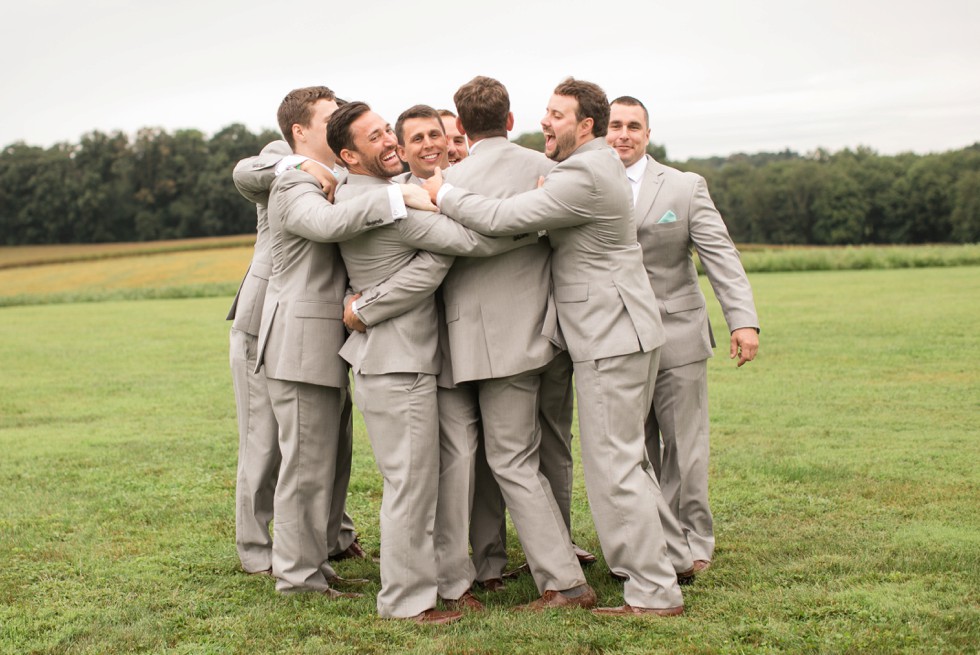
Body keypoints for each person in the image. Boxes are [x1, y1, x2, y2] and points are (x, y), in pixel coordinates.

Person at [424, 77, 685, 616]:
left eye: (557, 114)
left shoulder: (582, 173)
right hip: (616, 330)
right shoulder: (587, 168)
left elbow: (500, 219)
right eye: (544, 112)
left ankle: (655, 592)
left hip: (608, 332)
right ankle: (671, 558)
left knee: (614, 466)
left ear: (585, 125)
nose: (547, 121)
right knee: (625, 461)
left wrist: (441, 191)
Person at [326, 101, 539, 622]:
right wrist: (536, 215)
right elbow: (469, 241)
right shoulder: (391, 206)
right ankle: (405, 600)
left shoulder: (374, 194)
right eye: (375, 138)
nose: (389, 142)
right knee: (410, 487)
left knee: (417, 483)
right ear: (349, 157)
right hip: (396, 361)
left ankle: (430, 586)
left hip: (402, 358)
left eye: (384, 131)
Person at [253, 85, 432, 598]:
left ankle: (310, 563)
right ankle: (296, 577)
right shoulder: (291, 186)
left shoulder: (340, 180)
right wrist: (397, 197)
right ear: (301, 134)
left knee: (323, 464)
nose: (338, 127)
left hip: (326, 346)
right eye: (329, 119)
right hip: (298, 344)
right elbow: (327, 225)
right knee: (305, 467)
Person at [607, 95, 760, 573]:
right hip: (615, 339)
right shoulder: (584, 184)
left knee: (685, 447)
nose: (624, 135)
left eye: (633, 126)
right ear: (602, 131)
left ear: (647, 134)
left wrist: (743, 320)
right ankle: (649, 542)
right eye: (615, 125)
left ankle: (693, 542)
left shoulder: (684, 187)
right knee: (634, 450)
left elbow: (721, 258)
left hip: (678, 335)